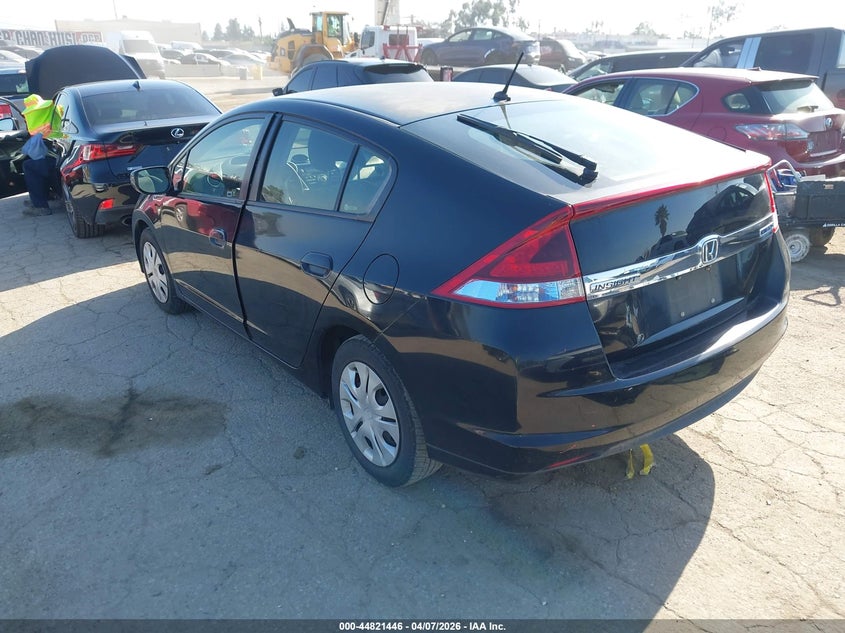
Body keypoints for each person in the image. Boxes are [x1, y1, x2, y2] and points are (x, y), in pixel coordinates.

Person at [20, 94, 58, 217]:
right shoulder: (53, 109)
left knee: (29, 166)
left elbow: (33, 133)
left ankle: (40, 206)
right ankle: (45, 195)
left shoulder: (34, 115)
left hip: (54, 156)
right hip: (61, 152)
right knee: (39, 164)